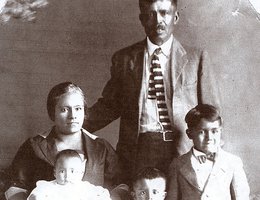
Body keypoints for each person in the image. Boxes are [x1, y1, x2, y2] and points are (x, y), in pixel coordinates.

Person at [84, 0, 220, 184]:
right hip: (138, 149)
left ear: (176, 17)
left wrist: (213, 153)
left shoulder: (196, 58)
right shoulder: (125, 59)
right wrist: (71, 126)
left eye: (164, 13)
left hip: (182, 147)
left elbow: (211, 112)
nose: (158, 20)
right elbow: (109, 105)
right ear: (142, 19)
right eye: (151, 14)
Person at [4, 82, 122, 200]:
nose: (72, 116)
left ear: (85, 112)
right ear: (52, 113)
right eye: (64, 109)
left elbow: (121, 184)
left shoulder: (101, 147)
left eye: (78, 108)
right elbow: (16, 187)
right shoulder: (33, 146)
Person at [166, 104, 250, 200]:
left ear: (220, 131)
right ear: (190, 134)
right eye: (202, 132)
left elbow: (242, 197)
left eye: (214, 131)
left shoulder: (232, 162)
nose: (209, 138)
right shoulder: (177, 165)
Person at [27, 149, 111, 200]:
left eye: (72, 171)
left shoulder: (85, 187)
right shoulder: (48, 187)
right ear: (55, 173)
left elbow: (101, 194)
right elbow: (36, 195)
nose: (67, 176)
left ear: (81, 173)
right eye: (62, 171)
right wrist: (35, 197)